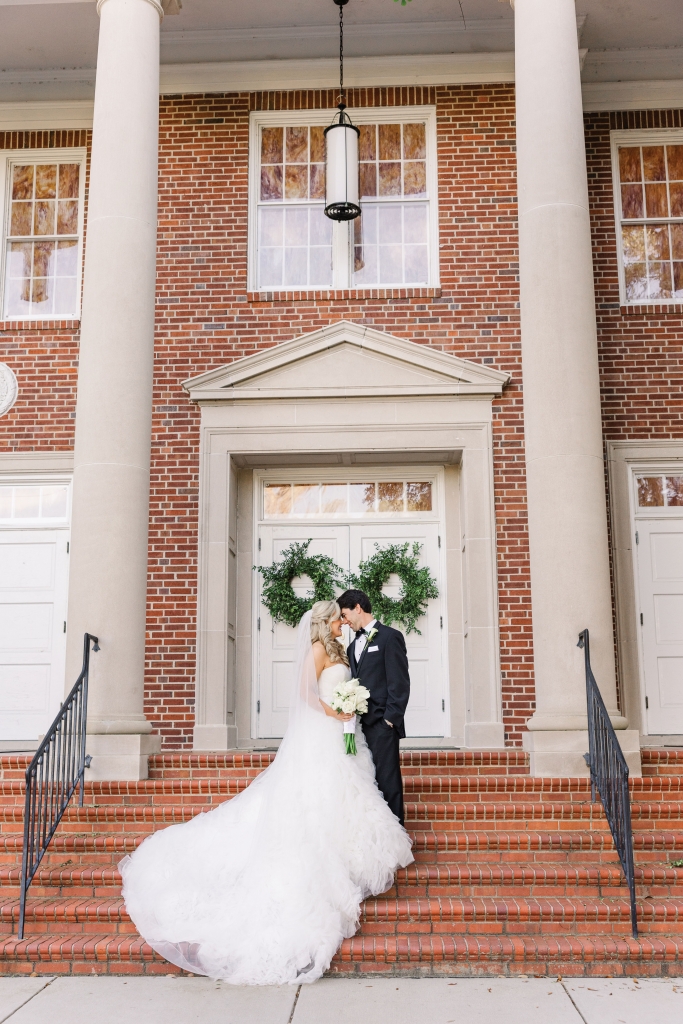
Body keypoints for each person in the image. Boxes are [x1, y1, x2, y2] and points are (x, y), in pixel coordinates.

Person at [119, 600, 413, 986]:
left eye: (345, 616)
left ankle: (348, 849)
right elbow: (308, 695)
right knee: (319, 792)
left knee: (351, 788)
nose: (343, 622)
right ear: (327, 621)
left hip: (346, 734)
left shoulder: (344, 648)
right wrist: (336, 712)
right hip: (324, 733)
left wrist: (352, 711)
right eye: (338, 618)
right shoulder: (318, 650)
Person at [337, 589, 410, 825]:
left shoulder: (390, 637)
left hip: (382, 725)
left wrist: (390, 720)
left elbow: (399, 683)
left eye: (346, 615)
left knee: (388, 782)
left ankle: (396, 836)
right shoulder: (351, 647)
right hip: (359, 726)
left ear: (358, 607)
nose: (344, 622)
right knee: (368, 782)